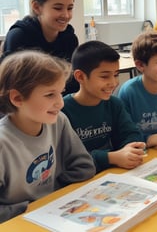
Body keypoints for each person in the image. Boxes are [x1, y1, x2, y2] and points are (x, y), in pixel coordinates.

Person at [0, 50, 95, 223]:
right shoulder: (3, 142)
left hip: (53, 213)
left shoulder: (58, 120)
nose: (61, 102)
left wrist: (55, 194)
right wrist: (29, 208)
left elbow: (84, 167)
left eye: (61, 92)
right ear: (17, 98)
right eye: (50, 94)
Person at [63, 41, 146, 173]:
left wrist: (131, 149)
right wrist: (110, 157)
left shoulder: (114, 104)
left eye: (116, 75)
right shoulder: (63, 112)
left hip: (113, 173)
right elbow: (67, 159)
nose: (113, 83)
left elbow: (131, 134)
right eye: (104, 76)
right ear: (80, 76)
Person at [1, 0, 79, 94]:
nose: (66, 15)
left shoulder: (69, 38)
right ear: (37, 7)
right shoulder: (19, 36)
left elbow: (72, 83)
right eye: (58, 8)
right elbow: (12, 87)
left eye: (70, 8)